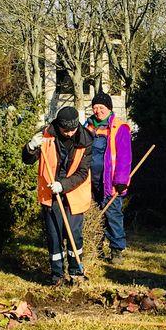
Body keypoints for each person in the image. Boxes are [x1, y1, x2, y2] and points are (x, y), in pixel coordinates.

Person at [23, 107, 93, 283]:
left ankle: (76, 272)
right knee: (54, 235)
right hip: (50, 193)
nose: (69, 134)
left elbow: (83, 172)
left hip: (74, 191)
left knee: (74, 233)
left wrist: (62, 185)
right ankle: (57, 274)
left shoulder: (86, 140)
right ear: (58, 126)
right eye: (65, 130)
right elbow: (27, 160)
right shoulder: (46, 135)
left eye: (72, 130)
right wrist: (31, 146)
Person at [85, 91, 133, 264]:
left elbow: (124, 157)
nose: (98, 111)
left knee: (113, 216)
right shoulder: (87, 126)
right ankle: (95, 248)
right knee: (93, 215)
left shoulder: (119, 127)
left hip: (110, 183)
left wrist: (121, 181)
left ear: (109, 108)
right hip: (89, 182)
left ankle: (116, 251)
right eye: (95, 107)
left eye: (101, 107)